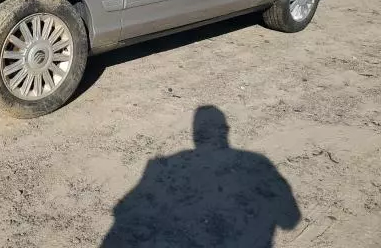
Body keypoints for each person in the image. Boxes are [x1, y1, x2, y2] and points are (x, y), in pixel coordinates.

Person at [102, 106, 301, 247]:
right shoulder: (258, 163)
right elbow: (290, 220)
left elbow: (124, 211)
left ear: (195, 134)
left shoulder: (162, 166)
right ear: (226, 130)